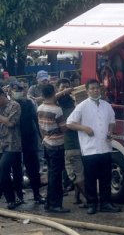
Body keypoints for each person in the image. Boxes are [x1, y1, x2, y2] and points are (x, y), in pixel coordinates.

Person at [66, 79, 121, 215]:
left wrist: (110, 131)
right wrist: (84, 128)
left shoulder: (106, 105)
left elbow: (112, 121)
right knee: (90, 179)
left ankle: (106, 203)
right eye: (92, 88)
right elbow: (69, 123)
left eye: (97, 88)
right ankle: (92, 203)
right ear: (87, 91)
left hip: (105, 147)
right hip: (89, 149)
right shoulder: (82, 106)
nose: (95, 90)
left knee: (105, 178)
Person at [10, 82, 46, 204]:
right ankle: (19, 196)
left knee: (33, 168)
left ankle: (37, 194)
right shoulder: (7, 105)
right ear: (10, 91)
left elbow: (36, 120)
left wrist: (42, 137)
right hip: (13, 140)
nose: (18, 91)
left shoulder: (28, 103)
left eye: (20, 89)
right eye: (15, 89)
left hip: (29, 139)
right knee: (16, 168)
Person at [37, 84, 70, 213]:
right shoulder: (57, 110)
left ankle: (49, 203)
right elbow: (64, 128)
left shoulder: (40, 108)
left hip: (47, 143)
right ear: (54, 92)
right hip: (57, 145)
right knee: (56, 176)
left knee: (52, 174)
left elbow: (41, 128)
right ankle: (56, 205)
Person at [56, 78, 87, 207]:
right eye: (62, 87)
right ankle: (77, 197)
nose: (65, 90)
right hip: (76, 144)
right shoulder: (74, 107)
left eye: (67, 87)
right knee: (77, 172)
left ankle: (91, 198)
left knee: (75, 174)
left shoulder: (63, 110)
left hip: (71, 145)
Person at [0, 87, 22, 209]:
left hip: (12, 144)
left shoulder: (14, 105)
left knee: (3, 169)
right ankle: (11, 198)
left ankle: (12, 199)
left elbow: (10, 123)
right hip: (0, 144)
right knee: (4, 172)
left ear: (3, 95)